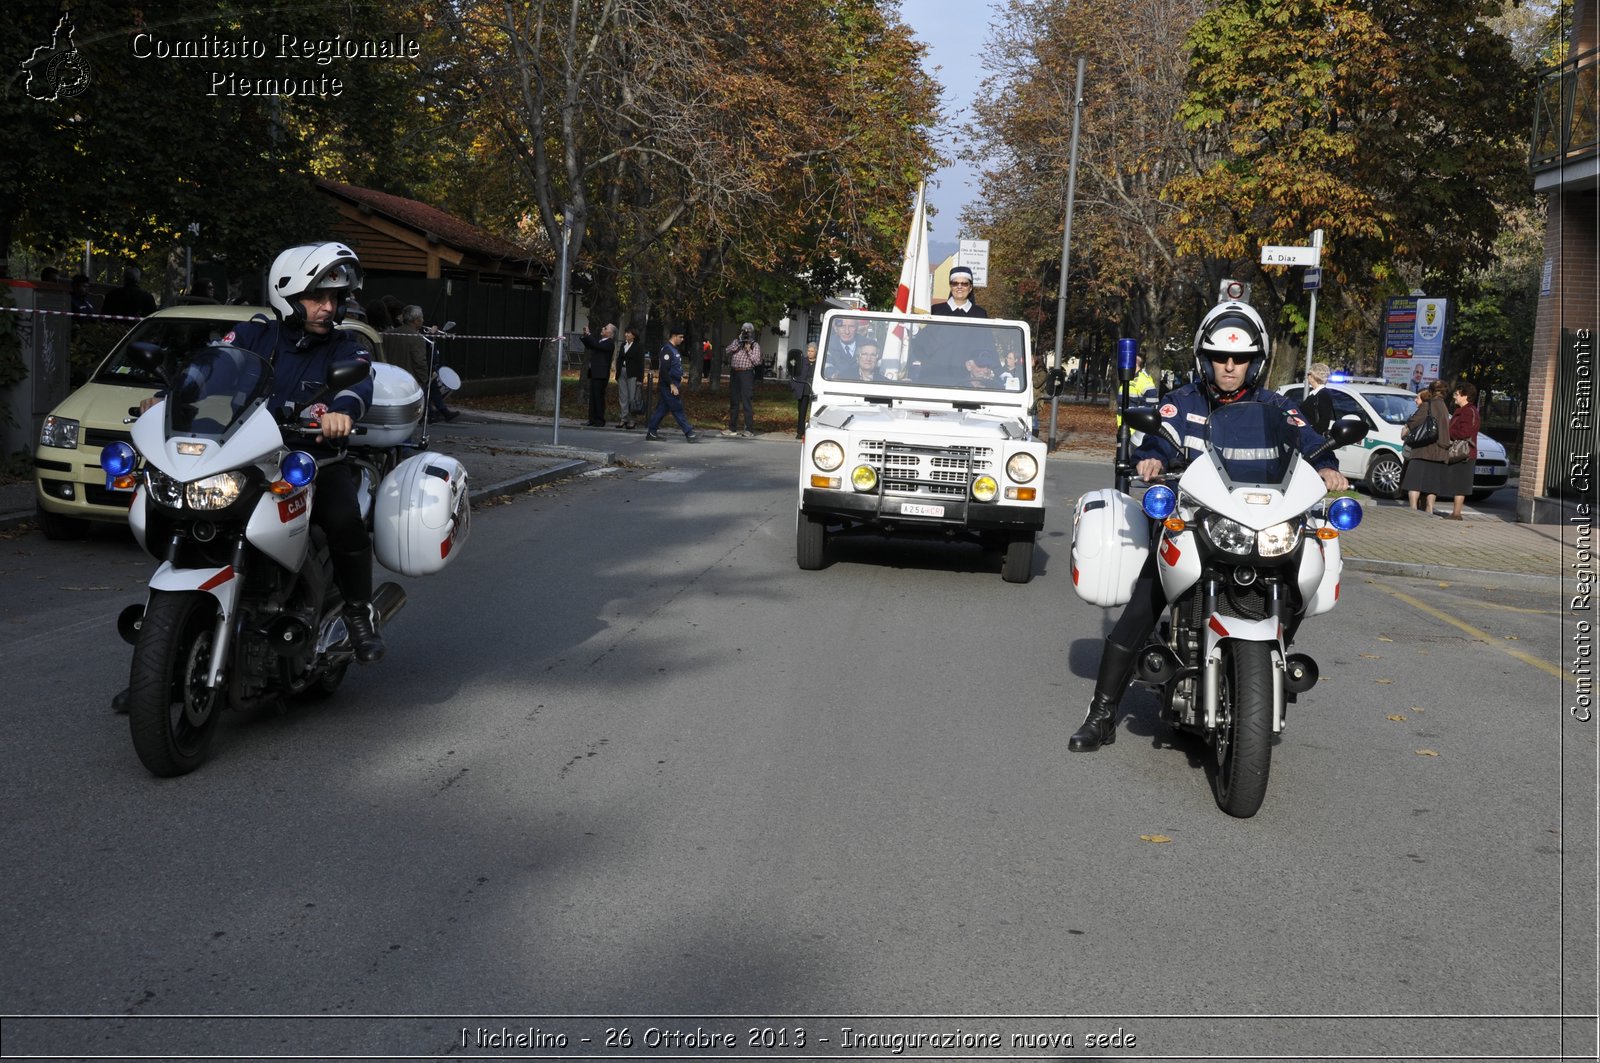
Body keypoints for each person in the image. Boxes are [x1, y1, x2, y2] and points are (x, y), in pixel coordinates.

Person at [114, 242, 384, 715]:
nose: (329, 307)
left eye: (335, 299)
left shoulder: (346, 347)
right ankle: (155, 673)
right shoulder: (253, 337)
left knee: (343, 517)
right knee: (184, 514)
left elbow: (359, 384)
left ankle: (359, 614)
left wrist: (342, 411)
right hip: (250, 460)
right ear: (288, 295)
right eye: (317, 297)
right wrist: (166, 397)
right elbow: (208, 374)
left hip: (313, 461)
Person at [1068, 300, 1350, 753]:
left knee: (1303, 571)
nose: (1230, 366)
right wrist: (1151, 458)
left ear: (1255, 362)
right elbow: (1154, 439)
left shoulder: (1276, 408)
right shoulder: (1181, 404)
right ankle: (1101, 714)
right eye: (1221, 357)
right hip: (1196, 525)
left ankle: (1271, 660)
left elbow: (1312, 446)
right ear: (1205, 358)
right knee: (1144, 602)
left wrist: (1329, 468)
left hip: (1260, 525)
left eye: (1240, 358)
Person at [389, 304, 455, 421]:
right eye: (422, 318)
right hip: (409, 380)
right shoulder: (417, 338)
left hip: (391, 378)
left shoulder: (390, 334)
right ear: (416, 320)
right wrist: (425, 380)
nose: (423, 321)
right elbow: (420, 362)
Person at [1400, 382, 1452, 514]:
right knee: (1431, 484)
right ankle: (1429, 509)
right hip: (1440, 451)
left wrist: (1405, 431)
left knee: (1414, 482)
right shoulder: (1444, 407)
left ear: (1431, 390)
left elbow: (1414, 421)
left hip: (1424, 450)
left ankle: (1413, 509)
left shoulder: (1428, 405)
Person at [645, 328, 700, 443]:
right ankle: (689, 433)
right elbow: (664, 370)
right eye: (680, 337)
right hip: (668, 384)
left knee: (662, 409)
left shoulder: (674, 349)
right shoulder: (667, 350)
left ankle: (651, 432)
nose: (682, 339)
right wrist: (671, 385)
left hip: (673, 382)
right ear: (674, 336)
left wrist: (679, 375)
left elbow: (674, 366)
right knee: (677, 408)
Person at [1441, 380, 1481, 520]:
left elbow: (1464, 433)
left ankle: (1457, 513)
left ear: (1465, 396)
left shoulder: (1468, 412)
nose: (1455, 397)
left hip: (1465, 453)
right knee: (1458, 483)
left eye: (1457, 394)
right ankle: (1455, 513)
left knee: (1460, 483)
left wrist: (1449, 432)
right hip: (1463, 452)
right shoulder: (1464, 411)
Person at [723, 322, 761, 437]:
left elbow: (757, 361)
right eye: (744, 330)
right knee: (734, 402)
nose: (746, 333)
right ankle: (732, 428)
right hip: (735, 372)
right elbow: (727, 351)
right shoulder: (736, 342)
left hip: (746, 373)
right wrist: (739, 343)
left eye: (748, 331)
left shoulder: (755, 345)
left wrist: (748, 349)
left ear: (752, 332)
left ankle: (749, 429)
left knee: (746, 402)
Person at [580, 323, 615, 427]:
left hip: (601, 374)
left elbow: (595, 345)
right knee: (593, 397)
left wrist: (589, 334)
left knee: (598, 397)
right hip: (595, 372)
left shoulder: (609, 343)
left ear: (610, 333)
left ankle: (599, 420)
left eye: (605, 328)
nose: (602, 329)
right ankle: (592, 419)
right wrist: (586, 335)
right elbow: (590, 344)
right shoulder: (600, 341)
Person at [1115, 353, 1156, 429]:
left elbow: (1152, 402)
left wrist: (1141, 417)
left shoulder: (1143, 380)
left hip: (1135, 423)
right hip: (1123, 421)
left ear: (1135, 364)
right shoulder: (1127, 378)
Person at [615, 327, 644, 429]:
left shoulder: (638, 347)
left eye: (628, 333)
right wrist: (617, 373)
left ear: (634, 335)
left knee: (632, 398)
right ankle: (623, 418)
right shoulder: (623, 345)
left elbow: (641, 364)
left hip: (633, 374)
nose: (626, 334)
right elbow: (619, 359)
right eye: (626, 332)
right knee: (623, 397)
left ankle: (632, 420)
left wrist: (640, 379)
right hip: (622, 372)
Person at [792, 341, 818, 438]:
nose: (810, 353)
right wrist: (794, 386)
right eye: (808, 351)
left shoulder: (819, 362)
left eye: (812, 351)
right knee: (801, 412)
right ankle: (800, 432)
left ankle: (814, 432)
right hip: (802, 390)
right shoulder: (802, 361)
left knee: (814, 412)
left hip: (813, 391)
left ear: (816, 351)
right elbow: (794, 373)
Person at [1304, 361, 1336, 435]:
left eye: (1308, 374)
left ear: (1314, 376)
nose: (1307, 376)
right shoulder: (1315, 393)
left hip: (1312, 439)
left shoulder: (1323, 394)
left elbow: (1324, 423)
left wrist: (1310, 435)